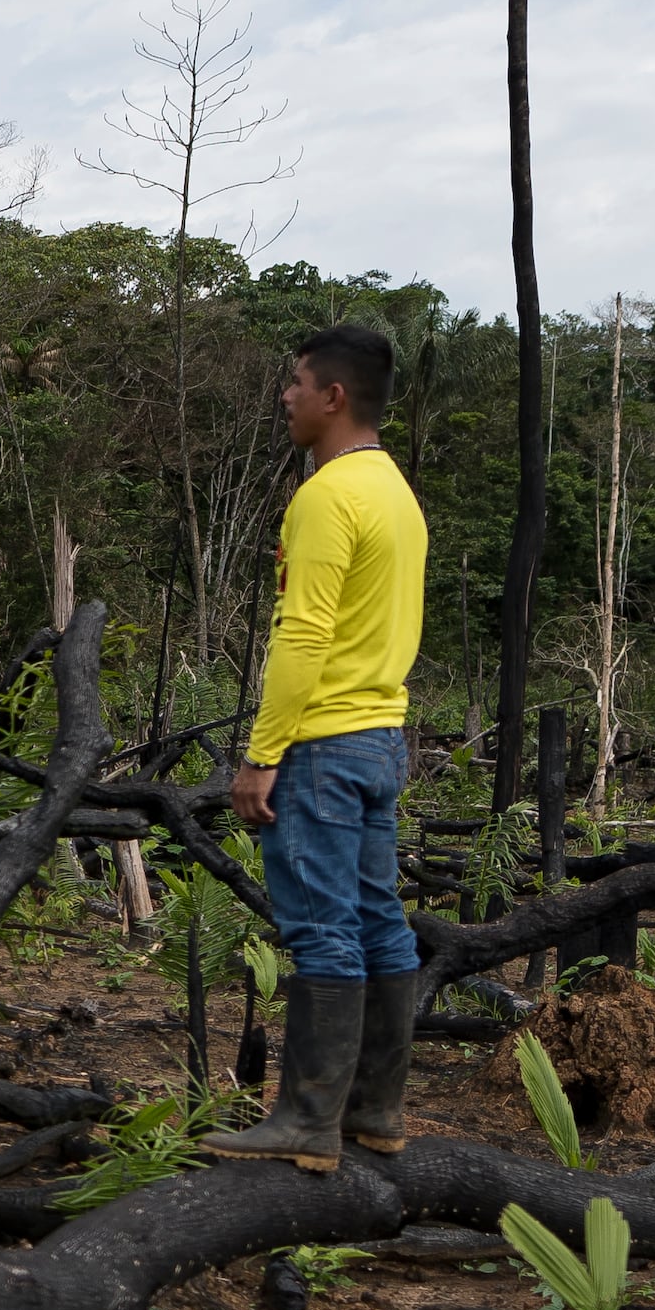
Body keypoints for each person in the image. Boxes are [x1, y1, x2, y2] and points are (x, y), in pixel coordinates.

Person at [201, 322, 428, 1171]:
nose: (286, 395)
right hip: (380, 737)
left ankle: (306, 1121)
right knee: (380, 922)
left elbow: (303, 635)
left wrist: (262, 753)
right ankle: (375, 1112)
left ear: (335, 395)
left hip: (323, 746)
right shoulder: (396, 493)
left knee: (323, 928)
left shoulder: (328, 495)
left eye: (297, 381)